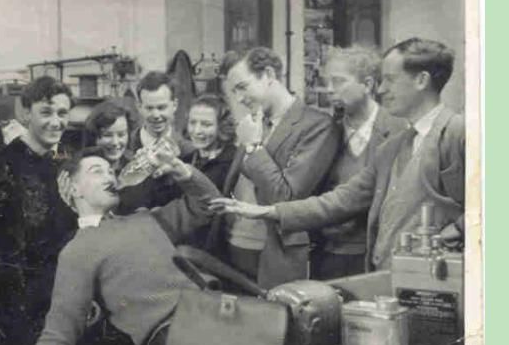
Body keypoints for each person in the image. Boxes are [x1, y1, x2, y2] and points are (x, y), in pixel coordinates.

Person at [211, 38, 464, 273]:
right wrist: (267, 212)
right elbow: (340, 201)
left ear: (421, 80)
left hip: (438, 274)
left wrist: (454, 231)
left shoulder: (458, 132)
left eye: (390, 79)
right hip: (386, 271)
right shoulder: (393, 147)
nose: (382, 88)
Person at [24, 145, 220, 345]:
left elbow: (210, 205)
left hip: (214, 308)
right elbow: (58, 335)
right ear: (75, 189)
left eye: (110, 171)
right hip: (177, 335)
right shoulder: (77, 251)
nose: (109, 176)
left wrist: (180, 170)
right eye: (97, 171)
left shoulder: (146, 218)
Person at [221, 47, 341, 288]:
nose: (239, 98)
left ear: (268, 74)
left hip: (276, 253)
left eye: (242, 87)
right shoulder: (254, 123)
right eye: (233, 91)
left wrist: (254, 147)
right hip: (235, 246)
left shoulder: (318, 125)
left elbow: (287, 197)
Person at [0, 75, 77, 345]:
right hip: (26, 298)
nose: (55, 122)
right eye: (46, 112)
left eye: (62, 113)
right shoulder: (8, 167)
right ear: (25, 113)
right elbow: (15, 248)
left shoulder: (58, 157)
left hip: (59, 286)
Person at [310, 46, 406, 279]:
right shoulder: (326, 131)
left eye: (339, 81)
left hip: (375, 255)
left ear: (368, 84)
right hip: (327, 254)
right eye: (327, 82)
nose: (329, 89)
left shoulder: (399, 129)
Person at [118, 71, 194, 213]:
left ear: (175, 105)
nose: (156, 115)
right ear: (139, 107)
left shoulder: (189, 151)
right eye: (149, 108)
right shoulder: (123, 147)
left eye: (161, 107)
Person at [180, 94, 237, 254]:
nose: (197, 131)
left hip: (223, 250)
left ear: (222, 126)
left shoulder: (234, 161)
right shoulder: (185, 160)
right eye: (193, 123)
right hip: (188, 247)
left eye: (206, 124)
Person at [83, 99, 134, 174]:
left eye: (121, 134)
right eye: (107, 135)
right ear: (95, 136)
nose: (115, 142)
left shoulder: (134, 164)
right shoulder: (81, 165)